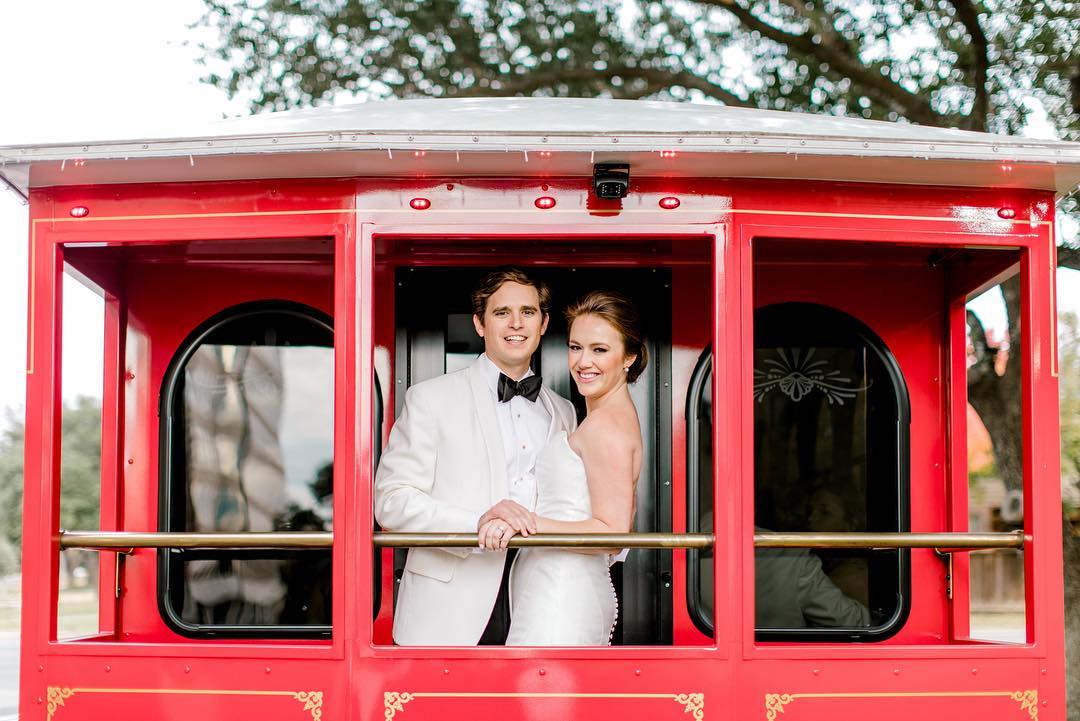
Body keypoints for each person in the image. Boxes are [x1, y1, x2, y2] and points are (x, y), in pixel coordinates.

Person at [373, 267, 577, 646]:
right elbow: (391, 502)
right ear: (480, 324)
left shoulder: (563, 411)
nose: (516, 323)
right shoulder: (430, 399)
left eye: (528, 312)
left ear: (544, 322)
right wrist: (476, 525)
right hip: (448, 609)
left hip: (539, 598)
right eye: (502, 313)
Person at [495, 291, 645, 646]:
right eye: (575, 347)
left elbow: (613, 532)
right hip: (560, 584)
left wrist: (523, 523)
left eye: (599, 349)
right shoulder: (607, 418)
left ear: (629, 357)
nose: (582, 361)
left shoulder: (605, 428)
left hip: (561, 595)